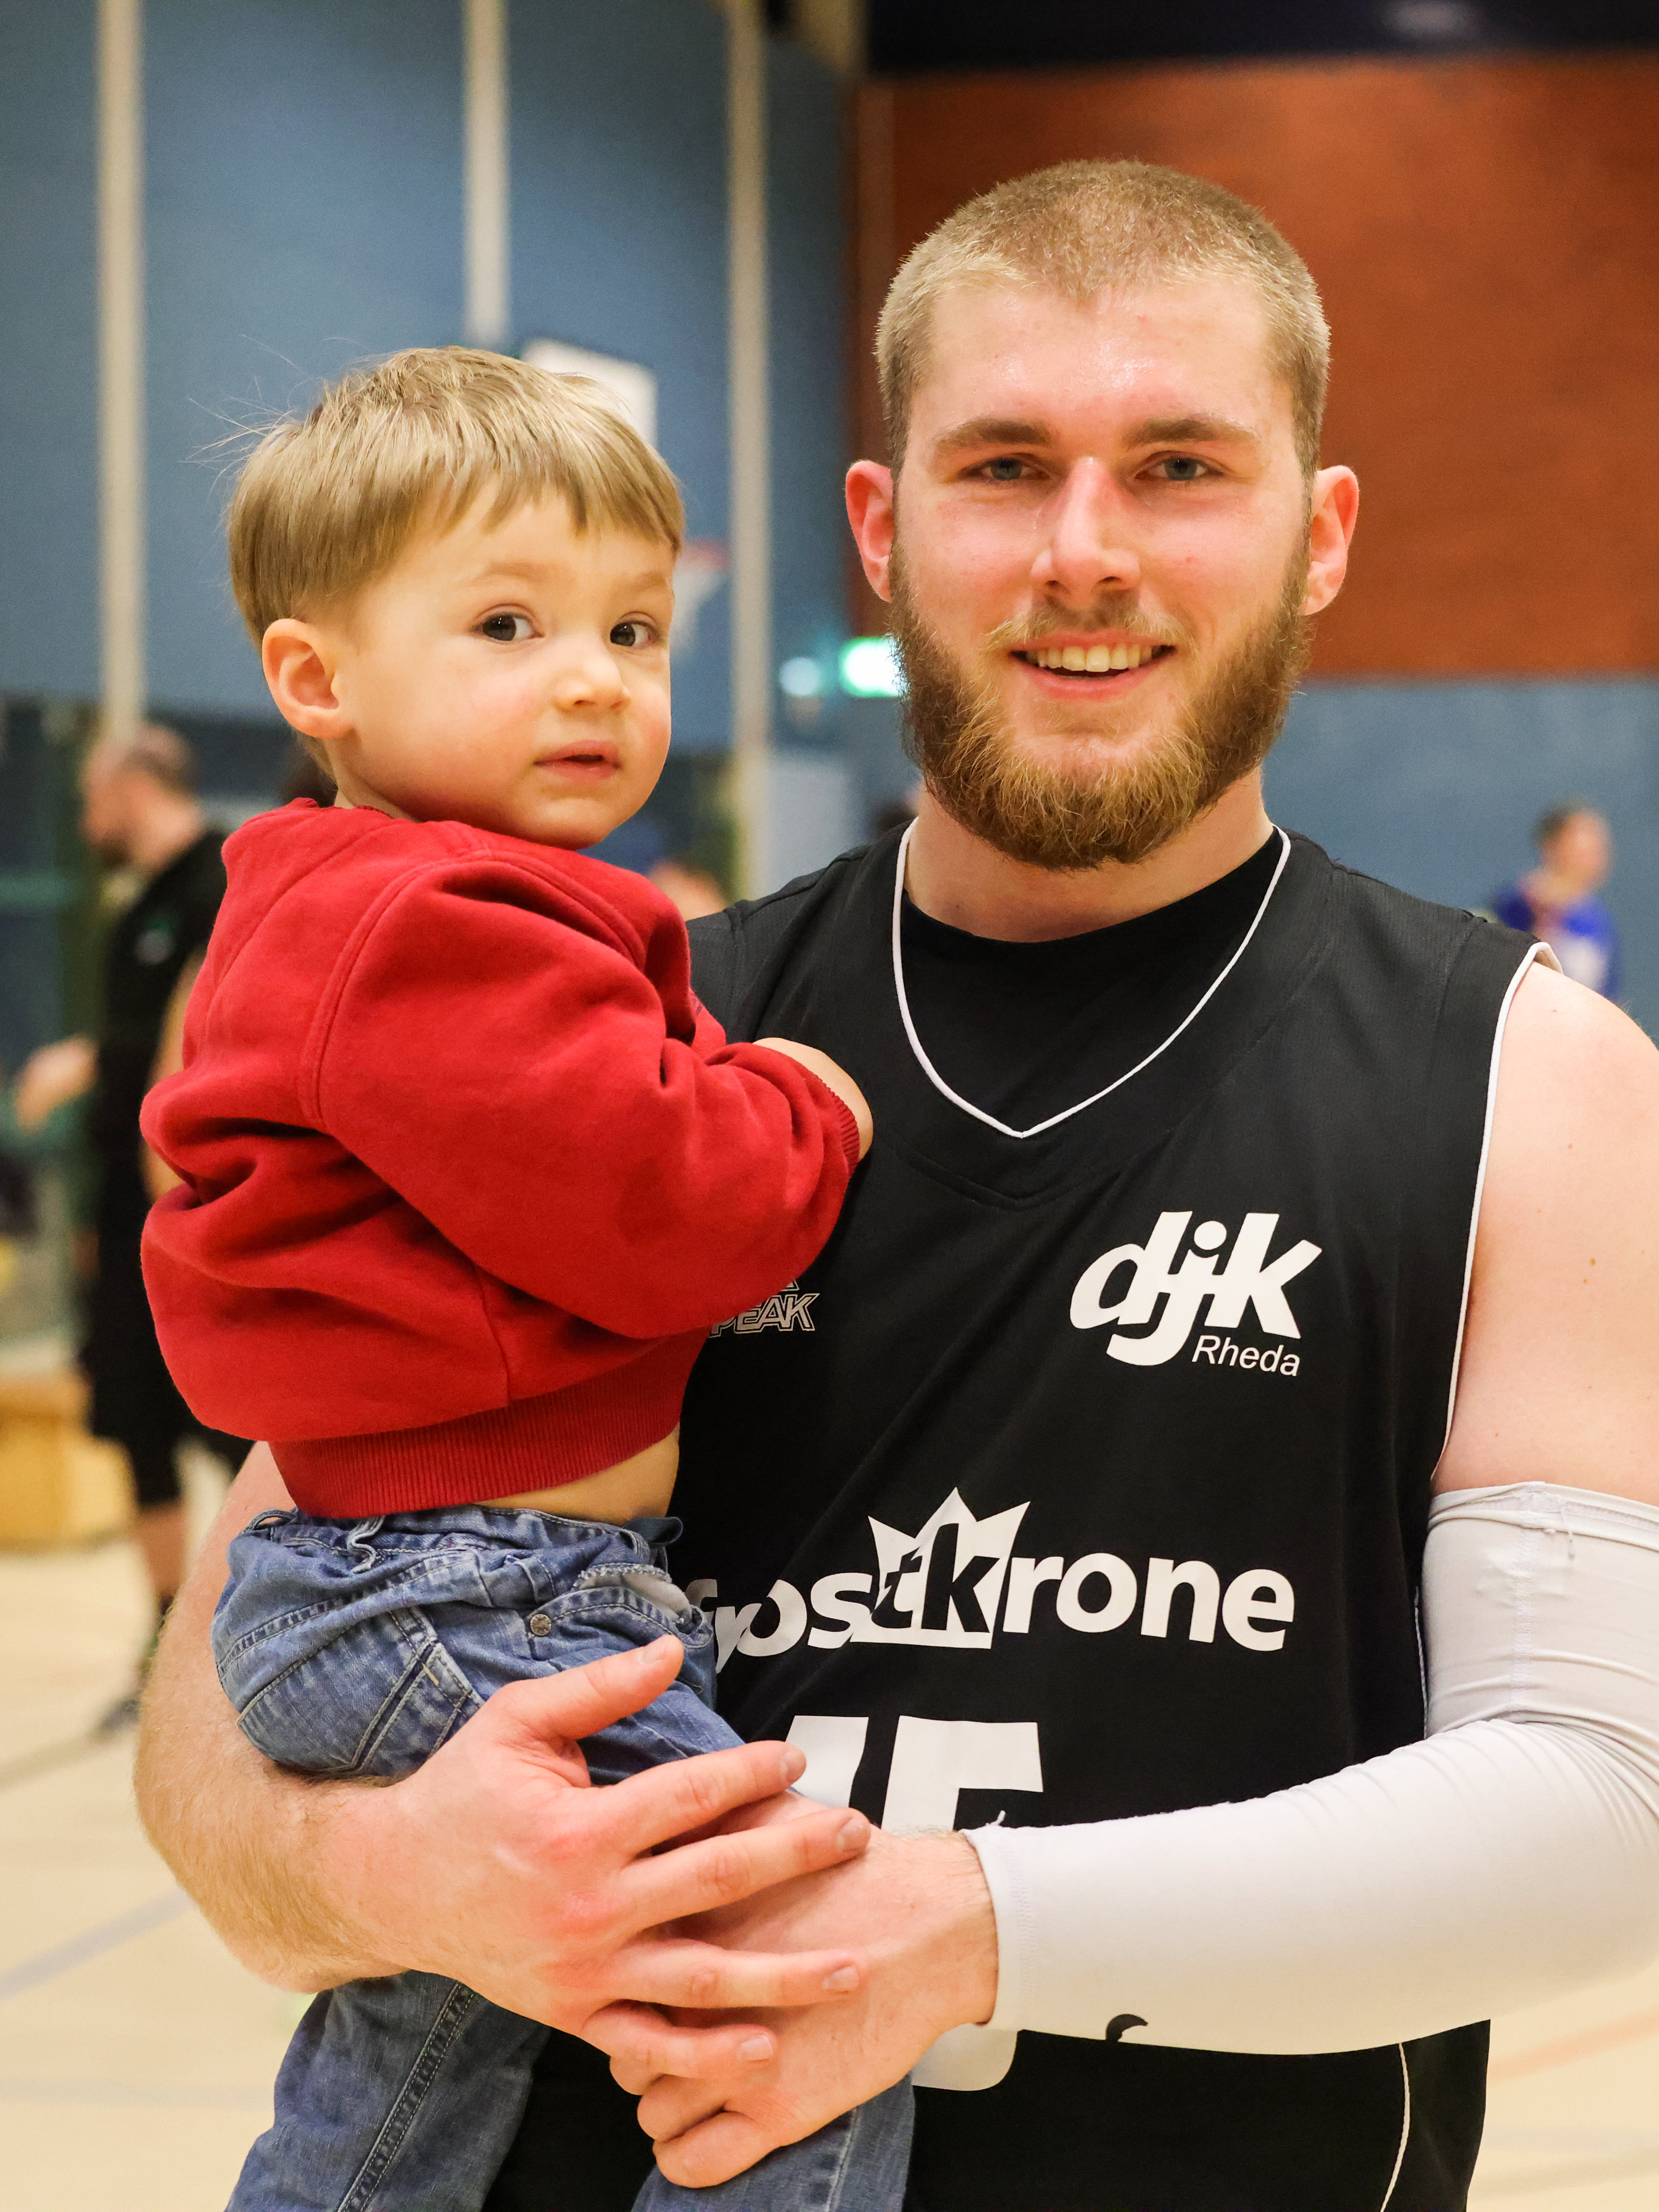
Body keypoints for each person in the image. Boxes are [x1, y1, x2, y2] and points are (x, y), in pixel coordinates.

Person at [136, 163, 1659, 2212]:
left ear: (1317, 536)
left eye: (1179, 467)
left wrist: (958, 1930)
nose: (1082, 550)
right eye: (1003, 466)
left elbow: (1601, 1809)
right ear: (879, 530)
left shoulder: (1533, 1081)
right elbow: (219, 1717)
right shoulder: (612, 1037)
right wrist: (386, 1867)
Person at [138, 349, 906, 2212]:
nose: (592, 677)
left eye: (633, 630)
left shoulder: (382, 899)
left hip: (421, 1575)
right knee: (790, 1975)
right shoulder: (428, 922)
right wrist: (797, 1102)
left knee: (416, 2056)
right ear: (315, 678)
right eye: (507, 624)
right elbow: (669, 1207)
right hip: (468, 1587)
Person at [12, 723, 237, 1724]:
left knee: (230, 1424)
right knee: (133, 1417)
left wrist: (91, 1061)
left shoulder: (221, 882)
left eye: (91, 797)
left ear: (131, 785)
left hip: (195, 1209)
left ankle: (262, 1622)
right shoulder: (136, 906)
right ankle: (161, 1642)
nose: (85, 819)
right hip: (119, 1208)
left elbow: (202, 1038)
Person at [1491, 800, 1621, 998]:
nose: (1596, 859)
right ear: (1551, 848)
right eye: (1583, 851)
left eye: (1599, 848)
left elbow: (1608, 996)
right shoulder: (1515, 907)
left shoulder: (1599, 920)